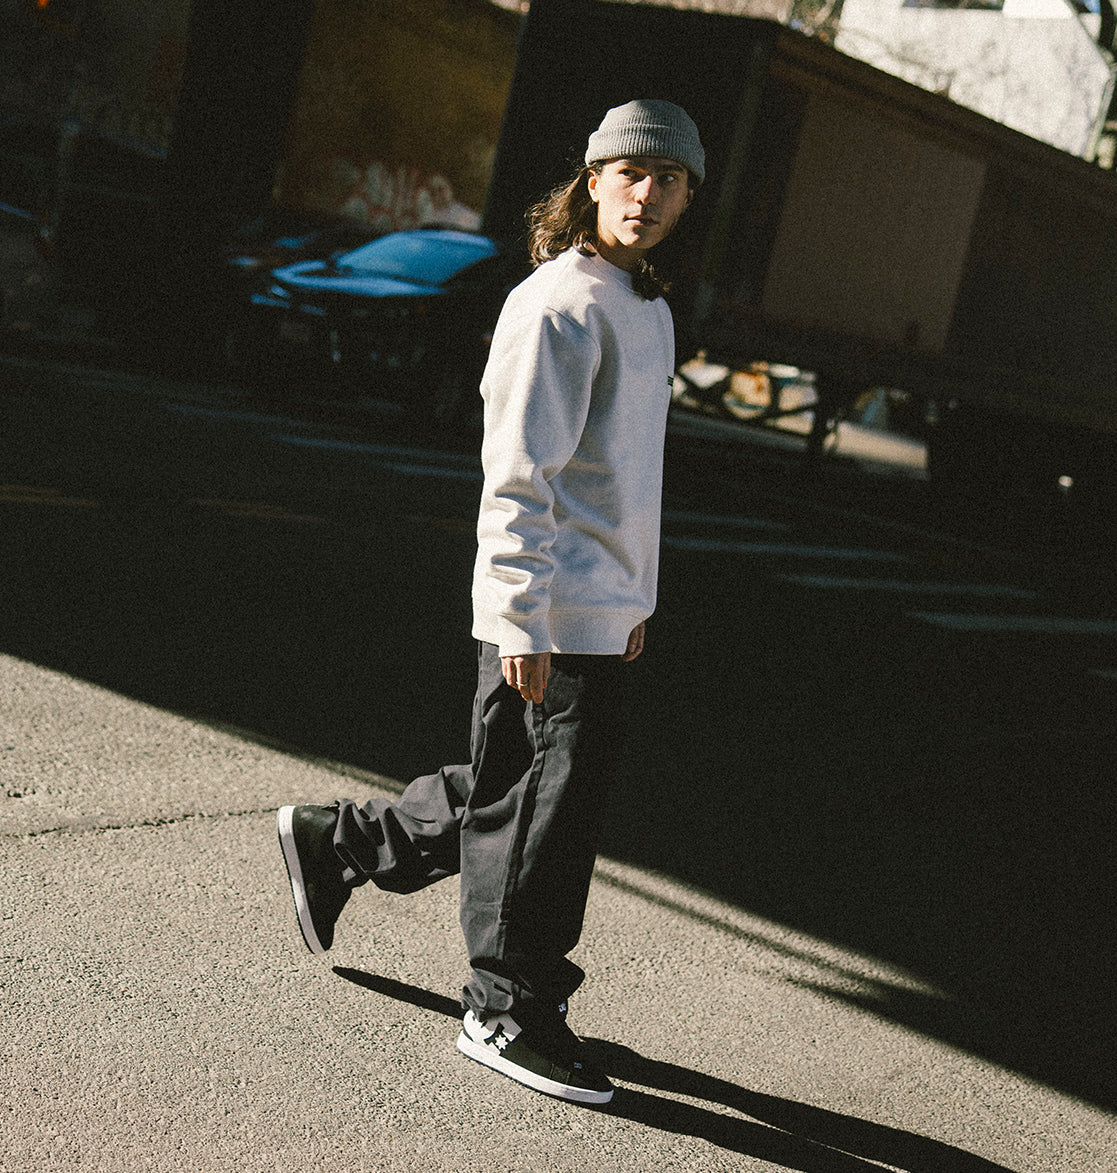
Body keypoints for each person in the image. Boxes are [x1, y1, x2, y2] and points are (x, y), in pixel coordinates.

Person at [277, 99, 705, 1106]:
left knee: (525, 788)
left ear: (689, 197)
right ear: (592, 182)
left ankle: (343, 842)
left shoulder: (645, 305)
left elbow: (626, 479)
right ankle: (504, 1006)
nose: (647, 194)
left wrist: (633, 598)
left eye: (670, 179)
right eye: (630, 173)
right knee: (542, 811)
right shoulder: (559, 304)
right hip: (547, 607)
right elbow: (519, 475)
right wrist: (519, 614)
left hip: (601, 606)